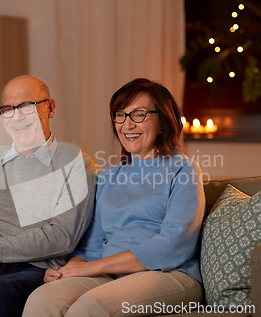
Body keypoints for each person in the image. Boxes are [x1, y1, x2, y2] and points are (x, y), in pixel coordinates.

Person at [23, 78, 205, 317]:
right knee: (43, 299)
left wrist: (95, 267)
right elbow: (92, 246)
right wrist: (69, 269)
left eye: (139, 114)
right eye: (120, 115)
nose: (127, 125)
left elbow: (173, 245)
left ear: (162, 121)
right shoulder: (108, 177)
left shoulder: (184, 170)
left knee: (90, 308)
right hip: (109, 275)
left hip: (168, 274)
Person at [0, 75, 97, 317]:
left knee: (2, 293)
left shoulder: (75, 162)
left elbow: (62, 236)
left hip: (34, 266)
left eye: (26, 107)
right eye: (8, 109)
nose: (16, 117)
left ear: (50, 108)